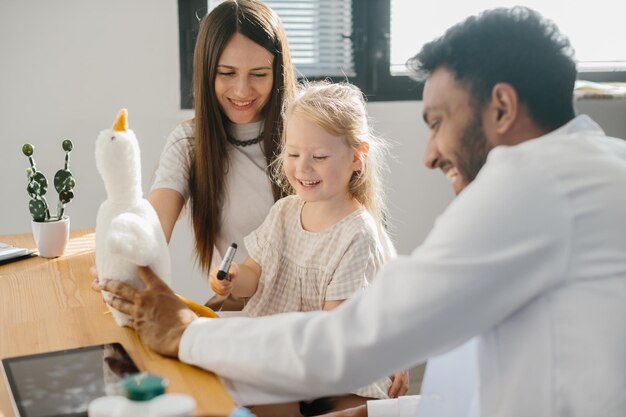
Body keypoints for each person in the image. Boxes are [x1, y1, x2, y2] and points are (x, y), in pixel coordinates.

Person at [101, 6, 626, 417]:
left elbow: (348, 341)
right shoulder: (594, 167)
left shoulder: (527, 188)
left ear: (503, 108)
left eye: (438, 120)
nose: (429, 154)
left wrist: (188, 331)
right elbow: (479, 381)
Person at [209, 81, 406, 414]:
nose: (303, 168)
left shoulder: (357, 233)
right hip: (284, 357)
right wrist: (230, 279)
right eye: (293, 153)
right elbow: (254, 275)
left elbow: (331, 333)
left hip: (334, 362)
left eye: (319, 157)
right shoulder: (284, 211)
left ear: (357, 158)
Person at [149, 0, 296, 309]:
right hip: (245, 304)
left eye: (258, 74)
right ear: (206, 71)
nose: (242, 91)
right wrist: (120, 261)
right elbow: (151, 228)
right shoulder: (190, 142)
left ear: (278, 73)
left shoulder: (305, 130)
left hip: (314, 307)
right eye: (227, 73)